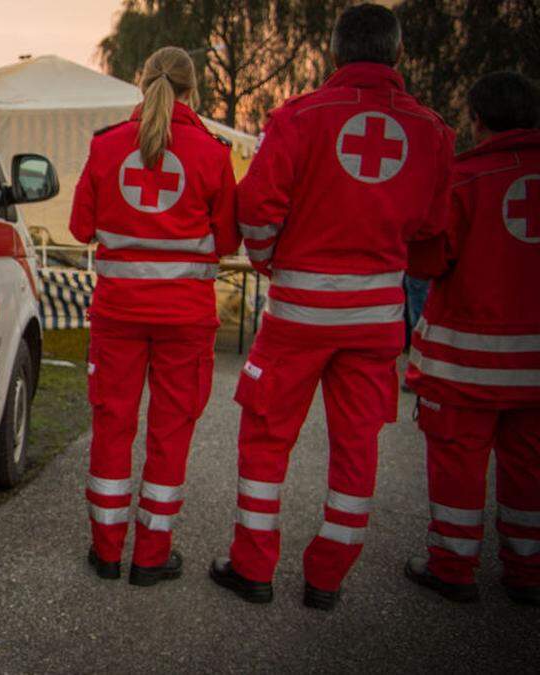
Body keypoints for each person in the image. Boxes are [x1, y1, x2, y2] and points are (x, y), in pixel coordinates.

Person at [208, 3, 455, 610]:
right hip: (376, 319)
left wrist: (270, 261)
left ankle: (253, 566)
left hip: (297, 313)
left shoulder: (299, 117)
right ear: (396, 55)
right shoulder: (433, 132)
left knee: (266, 437)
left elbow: (257, 207)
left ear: (337, 54)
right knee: (357, 446)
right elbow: (433, 232)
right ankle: (327, 577)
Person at [70, 47, 240, 586]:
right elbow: (229, 237)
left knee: (112, 426)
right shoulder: (213, 154)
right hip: (186, 322)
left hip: (118, 315)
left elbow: (79, 228)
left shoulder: (106, 146)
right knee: (171, 434)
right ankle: (151, 557)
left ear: (141, 85)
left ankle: (105, 551)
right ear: (193, 91)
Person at [402, 71, 540, 606]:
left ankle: (453, 566)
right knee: (529, 464)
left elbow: (430, 259)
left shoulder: (464, 179)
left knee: (458, 461)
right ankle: (527, 570)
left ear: (477, 120)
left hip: (467, 358)